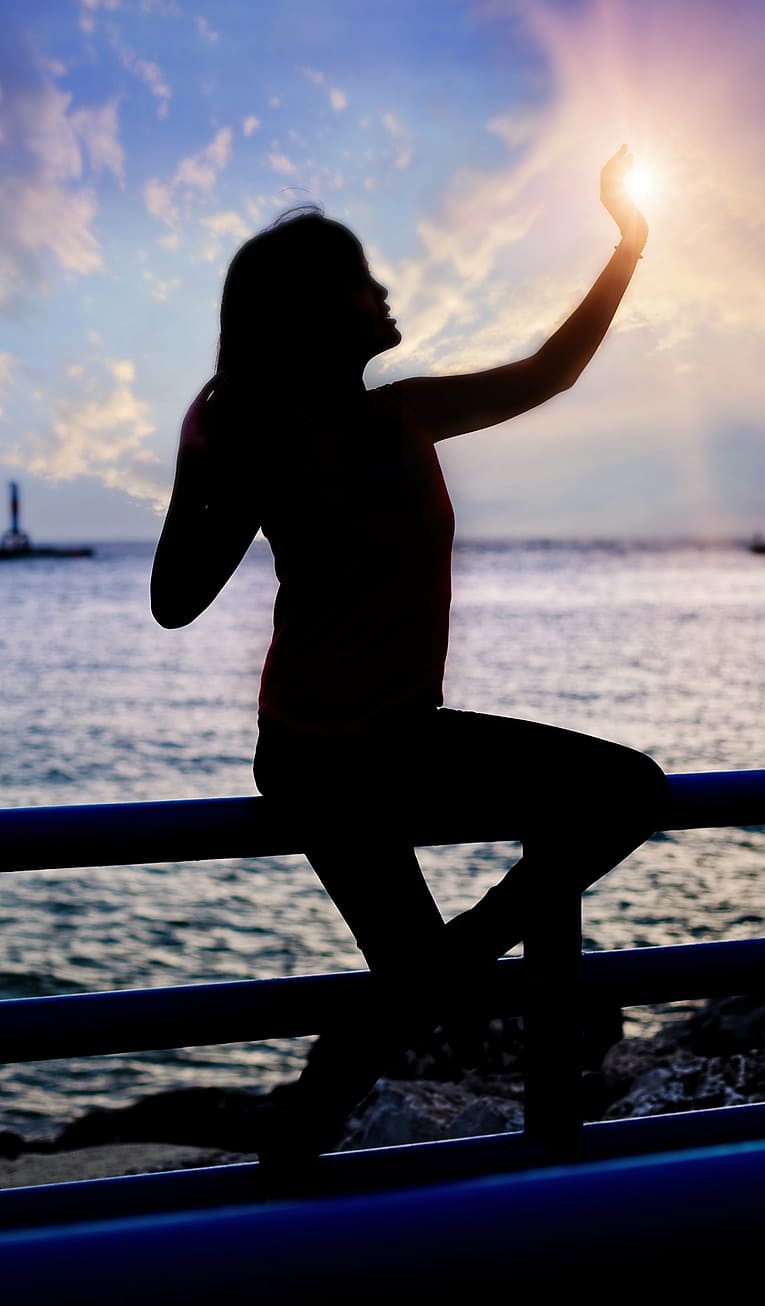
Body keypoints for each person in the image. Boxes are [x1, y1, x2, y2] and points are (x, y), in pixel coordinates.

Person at [150, 144, 671, 1188]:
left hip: (401, 737)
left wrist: (631, 242)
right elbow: (174, 601)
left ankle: (304, 1133)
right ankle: (291, 1159)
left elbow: (549, 372)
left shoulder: (405, 413)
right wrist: (204, 468)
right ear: (316, 309)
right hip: (313, 758)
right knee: (414, 981)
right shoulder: (262, 443)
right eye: (360, 276)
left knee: (626, 795)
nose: (384, 290)